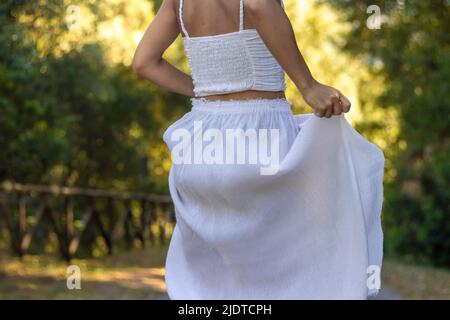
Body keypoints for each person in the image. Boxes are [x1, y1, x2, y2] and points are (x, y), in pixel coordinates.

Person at [133, 0, 385, 300]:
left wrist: (210, 89)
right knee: (293, 250)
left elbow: (144, 63)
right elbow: (257, 4)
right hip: (259, 132)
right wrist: (308, 85)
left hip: (201, 139)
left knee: (226, 275)